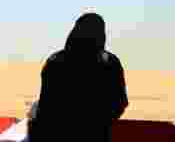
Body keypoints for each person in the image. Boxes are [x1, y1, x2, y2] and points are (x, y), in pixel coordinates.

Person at [27, 12, 129, 142]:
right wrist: (99, 122)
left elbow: (45, 104)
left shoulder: (55, 61)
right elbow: (120, 102)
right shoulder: (110, 62)